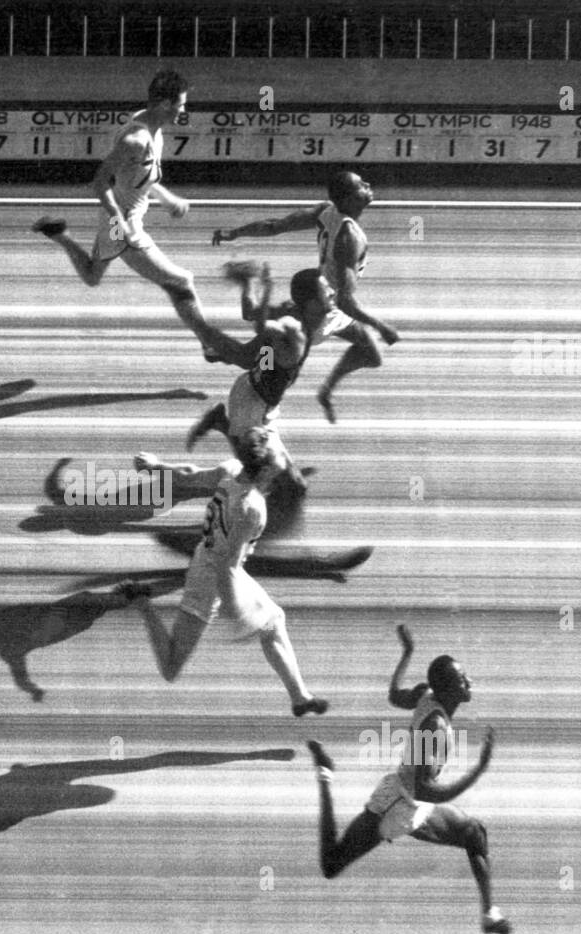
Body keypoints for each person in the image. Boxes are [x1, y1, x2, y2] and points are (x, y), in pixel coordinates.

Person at [305, 624, 512, 934]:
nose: (469, 682)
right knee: (331, 865)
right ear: (447, 691)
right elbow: (424, 789)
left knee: (474, 834)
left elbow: (393, 695)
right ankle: (325, 774)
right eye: (461, 680)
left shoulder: (427, 695)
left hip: (415, 801)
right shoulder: (436, 728)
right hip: (397, 805)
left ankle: (489, 915)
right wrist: (478, 770)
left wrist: (407, 654)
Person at [121, 428, 329, 717]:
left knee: (274, 621)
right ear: (268, 467)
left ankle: (299, 697)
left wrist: (156, 466)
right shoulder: (251, 508)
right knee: (170, 667)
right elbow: (226, 566)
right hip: (209, 581)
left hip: (219, 567)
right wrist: (238, 613)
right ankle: (141, 602)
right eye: (279, 452)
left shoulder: (230, 470)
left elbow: (189, 474)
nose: (284, 453)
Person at [31, 70, 227, 358]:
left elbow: (141, 177)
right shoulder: (135, 140)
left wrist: (167, 198)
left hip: (115, 220)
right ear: (163, 104)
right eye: (181, 104)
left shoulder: (150, 126)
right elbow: (100, 182)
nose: (183, 111)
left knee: (92, 277)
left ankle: (60, 235)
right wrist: (118, 221)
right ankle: (210, 344)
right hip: (124, 227)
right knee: (181, 281)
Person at [211, 170, 399, 421]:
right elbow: (346, 301)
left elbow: (274, 226)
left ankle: (324, 391)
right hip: (319, 310)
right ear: (349, 199)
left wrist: (235, 233)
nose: (368, 185)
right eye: (361, 186)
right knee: (257, 356)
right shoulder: (349, 237)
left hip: (320, 299)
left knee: (370, 353)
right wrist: (382, 326)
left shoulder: (326, 211)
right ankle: (224, 351)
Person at [185, 262, 337, 496]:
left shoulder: (295, 314)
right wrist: (266, 289)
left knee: (296, 484)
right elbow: (260, 325)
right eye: (327, 291)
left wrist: (250, 285)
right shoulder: (293, 327)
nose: (333, 292)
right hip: (251, 404)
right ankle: (220, 426)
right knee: (256, 469)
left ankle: (223, 412)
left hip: (262, 396)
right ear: (312, 303)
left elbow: (251, 312)